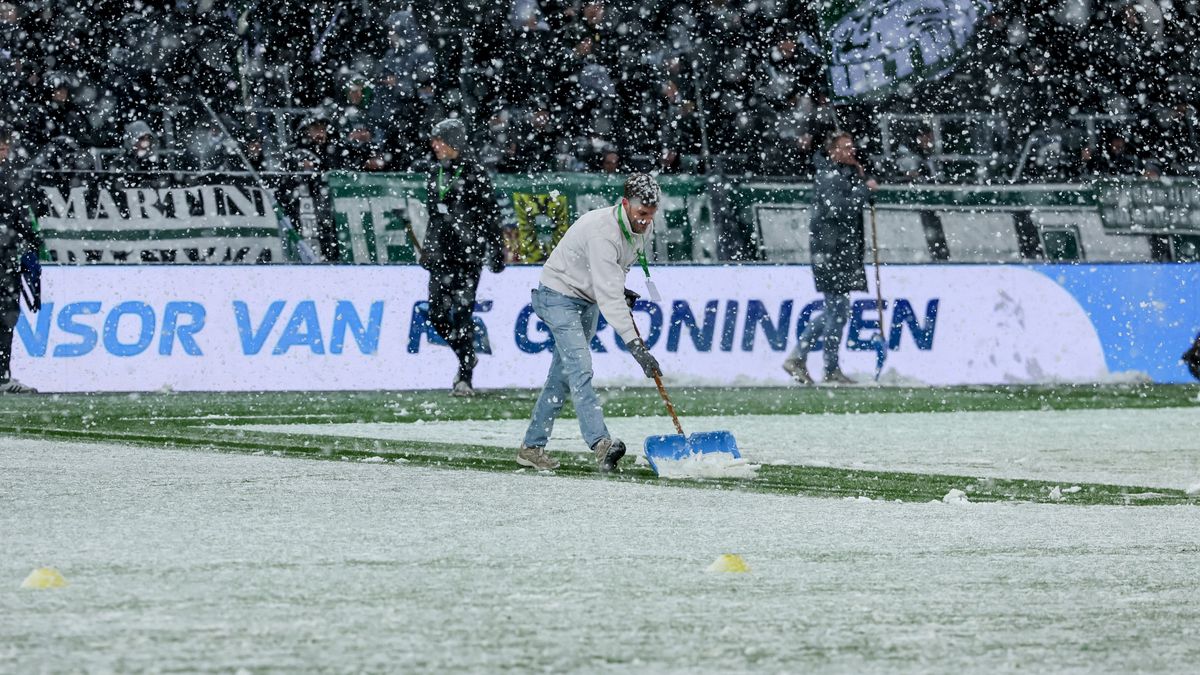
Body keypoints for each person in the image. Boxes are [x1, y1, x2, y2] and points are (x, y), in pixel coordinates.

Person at [516, 173, 663, 472]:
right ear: (625, 204)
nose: (647, 220)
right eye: (641, 214)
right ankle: (601, 443)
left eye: (651, 214)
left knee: (562, 376)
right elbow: (609, 298)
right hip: (558, 297)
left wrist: (619, 287)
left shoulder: (642, 226)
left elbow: (614, 272)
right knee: (580, 369)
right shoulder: (602, 232)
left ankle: (531, 447)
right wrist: (636, 347)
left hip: (586, 299)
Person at [783, 131, 878, 385]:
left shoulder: (840, 175)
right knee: (836, 311)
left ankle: (813, 362)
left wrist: (860, 182)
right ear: (833, 151)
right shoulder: (829, 176)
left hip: (839, 252)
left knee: (837, 311)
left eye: (852, 147)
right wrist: (863, 191)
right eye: (845, 147)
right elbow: (838, 210)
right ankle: (813, 361)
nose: (851, 152)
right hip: (832, 252)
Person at [423, 118, 506, 396]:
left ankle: (465, 375)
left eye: (439, 140)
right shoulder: (435, 172)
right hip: (440, 255)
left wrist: (497, 250)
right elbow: (434, 217)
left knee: (461, 313)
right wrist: (428, 248)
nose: (434, 145)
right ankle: (466, 355)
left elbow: (491, 215)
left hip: (467, 255)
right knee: (435, 313)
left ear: (453, 143)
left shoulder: (475, 173)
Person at [0, 125, 42, 393]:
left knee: (6, 319)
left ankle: (3, 376)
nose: (3, 153)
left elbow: (19, 216)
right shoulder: (8, 180)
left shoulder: (9, 177)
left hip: (6, 260)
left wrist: (30, 244)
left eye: (5, 148)